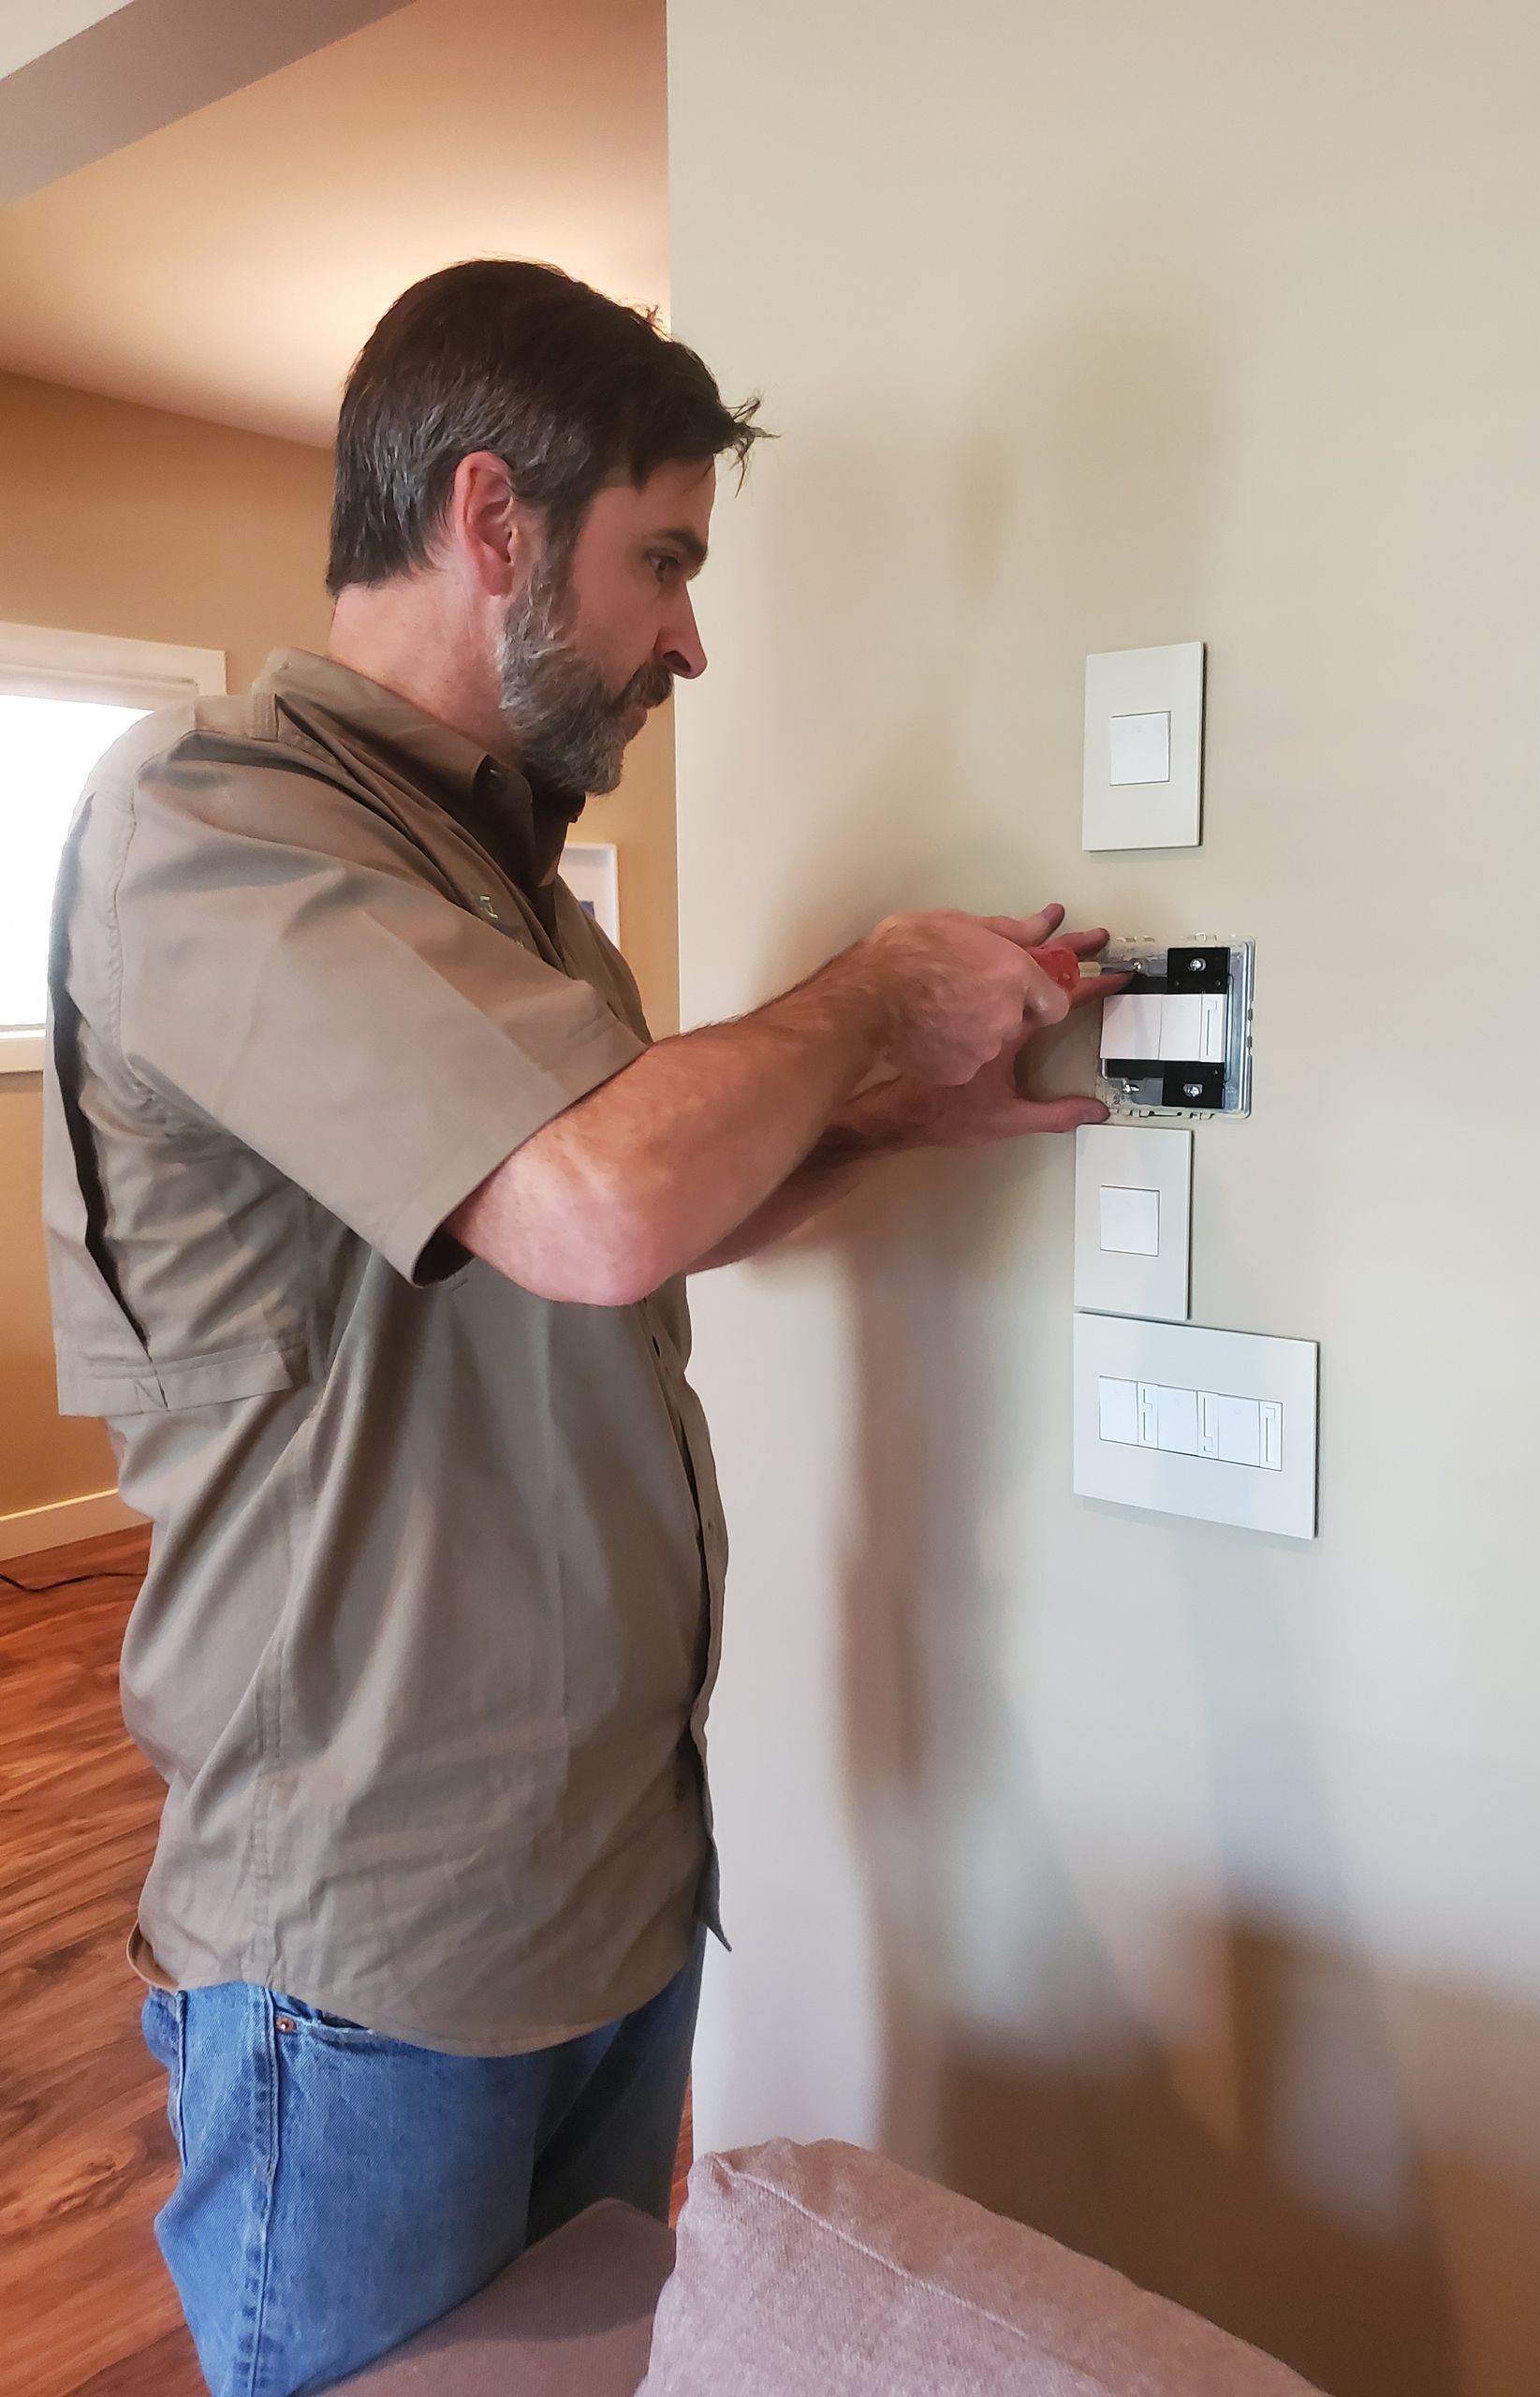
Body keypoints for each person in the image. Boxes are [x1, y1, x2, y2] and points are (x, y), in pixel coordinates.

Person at [40, 258, 1121, 2397]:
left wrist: (892, 1114)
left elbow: (612, 1217)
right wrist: (874, 991)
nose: (689, 640)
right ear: (494, 520)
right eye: (667, 562)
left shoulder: (517, 891)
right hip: (368, 1935)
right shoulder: (208, 829)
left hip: (608, 1875)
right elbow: (600, 1202)